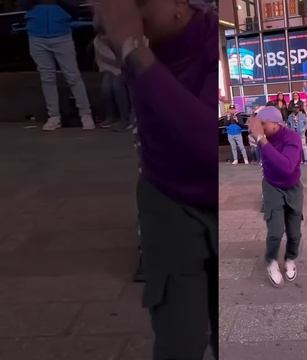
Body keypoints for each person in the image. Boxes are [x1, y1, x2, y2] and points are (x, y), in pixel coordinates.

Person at [95, 0, 219, 359]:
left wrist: (135, 51)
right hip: (166, 196)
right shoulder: (136, 45)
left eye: (140, 2)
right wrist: (126, 50)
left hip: (216, 194)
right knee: (179, 338)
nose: (126, 14)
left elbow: (208, 141)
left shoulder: (215, 45)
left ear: (181, 5)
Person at [248, 106, 304, 288]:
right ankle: (271, 260)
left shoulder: (292, 138)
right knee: (276, 230)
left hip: (293, 187)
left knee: (294, 232)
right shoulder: (262, 137)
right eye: (259, 125)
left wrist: (262, 140)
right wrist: (259, 136)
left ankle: (290, 258)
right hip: (272, 186)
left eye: (263, 124)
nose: (260, 128)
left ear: (276, 123)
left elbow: (287, 167)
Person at [19, 0, 95, 131]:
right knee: (47, 77)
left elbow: (75, 5)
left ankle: (85, 114)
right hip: (36, 35)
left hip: (62, 33)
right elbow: (23, 4)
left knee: (72, 76)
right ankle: (54, 116)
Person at [94, 15, 132, 131]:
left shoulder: (125, 38)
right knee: (106, 87)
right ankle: (111, 116)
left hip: (129, 69)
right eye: (102, 35)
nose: (104, 38)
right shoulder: (98, 41)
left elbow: (129, 59)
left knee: (117, 85)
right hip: (111, 69)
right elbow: (103, 61)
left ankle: (125, 119)